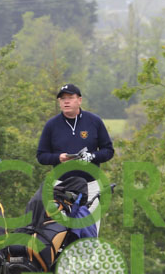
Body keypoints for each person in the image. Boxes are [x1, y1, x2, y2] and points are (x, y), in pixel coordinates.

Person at [37, 84, 114, 232]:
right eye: (62, 98)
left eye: (70, 98)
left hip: (91, 186)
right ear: (59, 102)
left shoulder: (94, 121)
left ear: (79, 100)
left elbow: (108, 151)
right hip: (61, 188)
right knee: (60, 232)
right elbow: (41, 156)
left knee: (89, 232)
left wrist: (92, 156)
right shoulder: (51, 125)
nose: (66, 101)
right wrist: (58, 158)